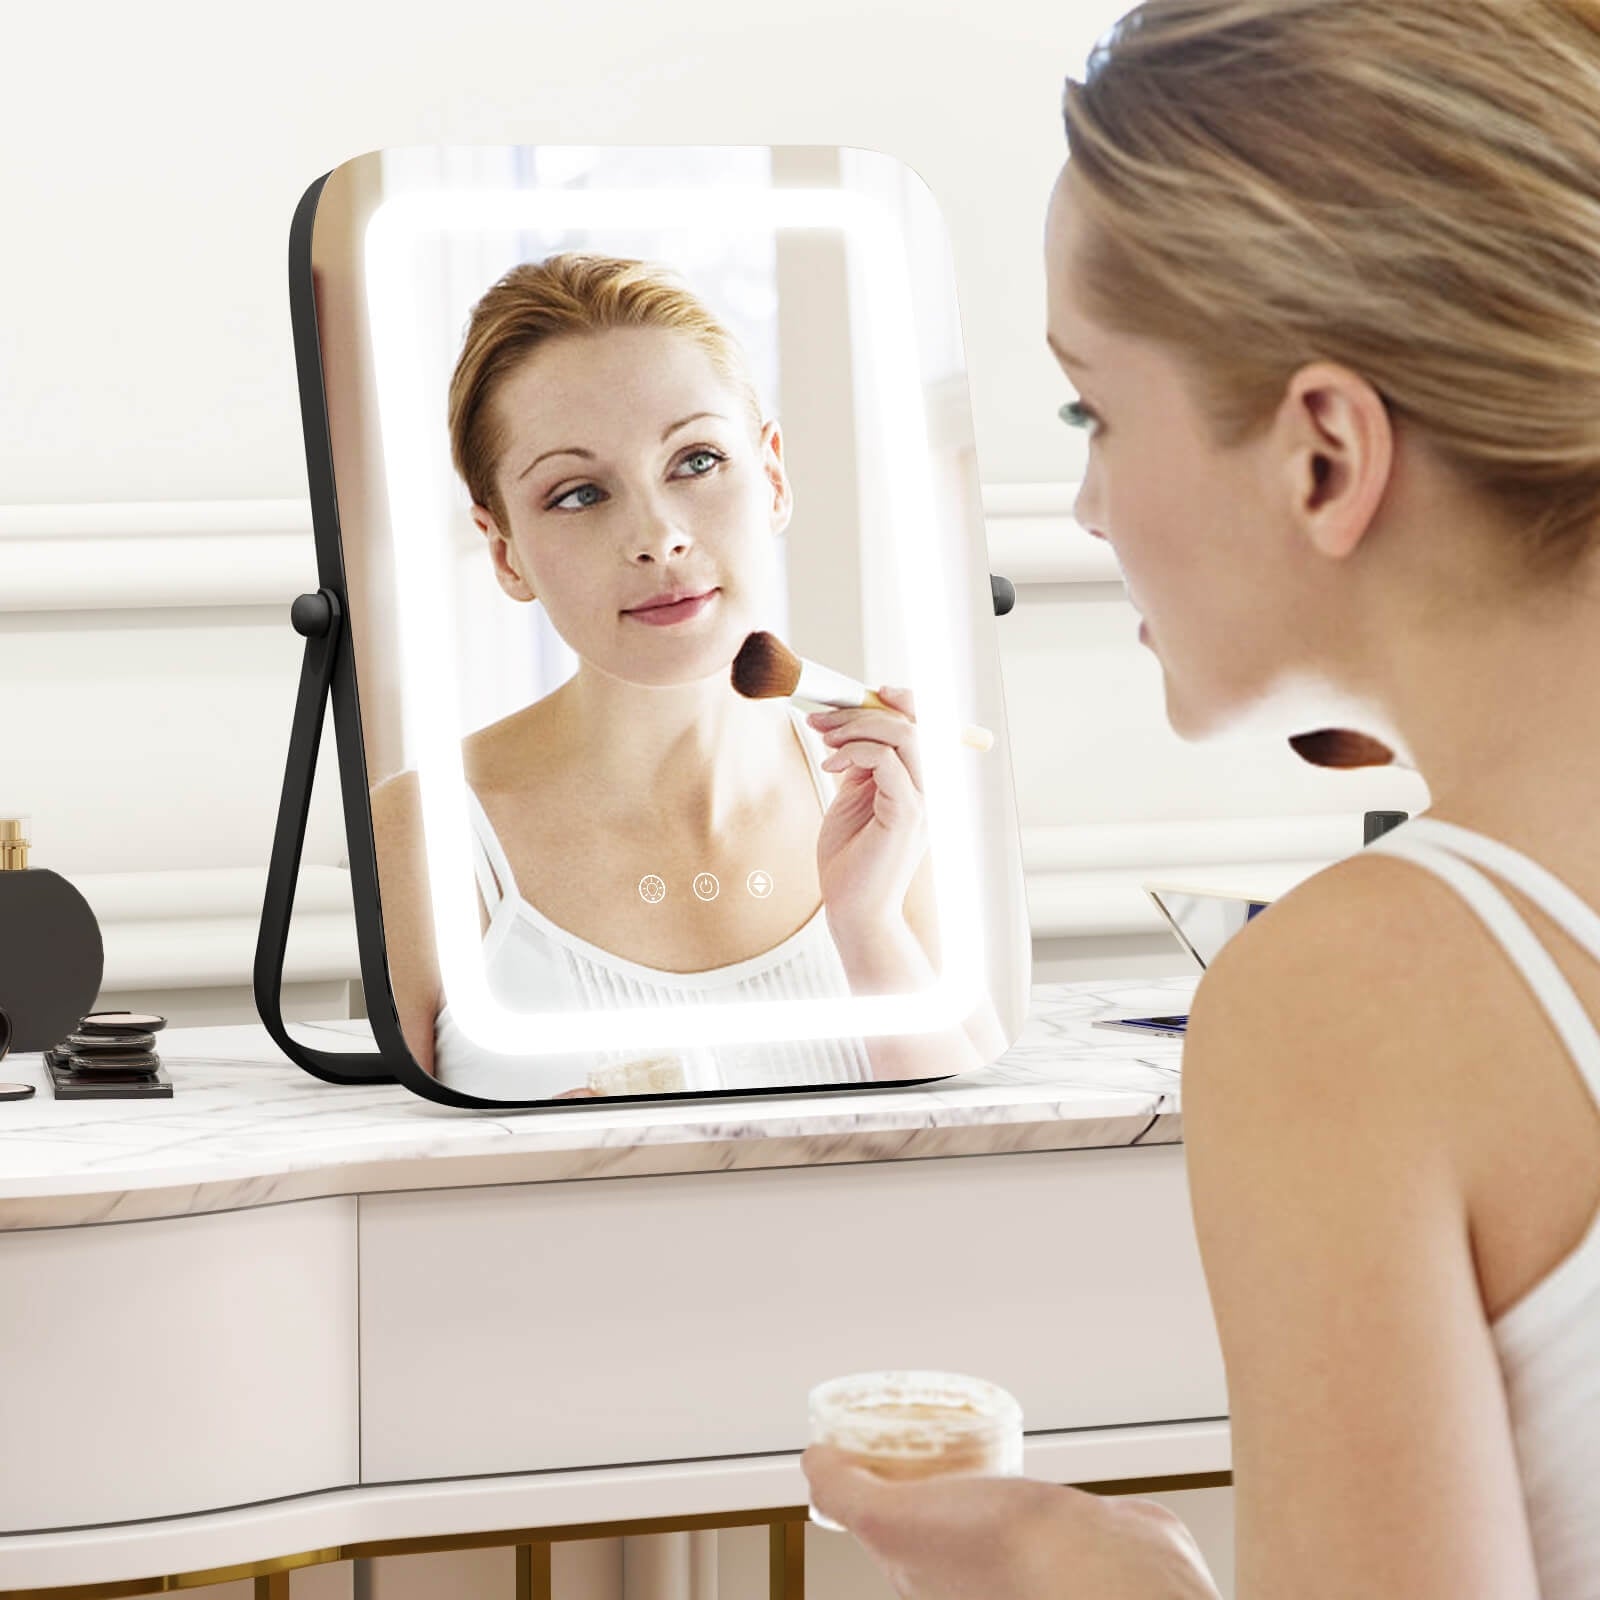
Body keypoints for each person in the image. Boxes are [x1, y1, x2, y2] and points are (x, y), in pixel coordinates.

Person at [805, 2, 1600, 1595]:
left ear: (1322, 452)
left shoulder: (1356, 1003)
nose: (1088, 505)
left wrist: (1106, 1575)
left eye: (1094, 408)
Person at [370, 253, 1004, 1096]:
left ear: (773, 476)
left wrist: (868, 921)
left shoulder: (891, 798)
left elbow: (985, 1156)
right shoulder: (426, 834)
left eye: (697, 460)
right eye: (577, 494)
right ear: (505, 551)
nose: (659, 535)